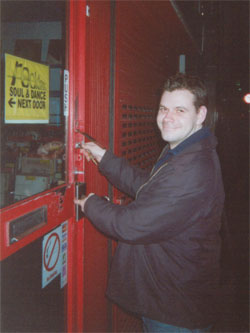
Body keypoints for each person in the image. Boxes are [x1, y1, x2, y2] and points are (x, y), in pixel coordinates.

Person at [75, 73, 225, 333]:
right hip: (173, 296)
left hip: (174, 308)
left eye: (180, 110)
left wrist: (90, 204)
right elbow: (148, 187)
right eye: (163, 109)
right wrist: (105, 158)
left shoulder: (191, 169)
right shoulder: (183, 151)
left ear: (200, 115)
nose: (168, 117)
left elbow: (132, 225)